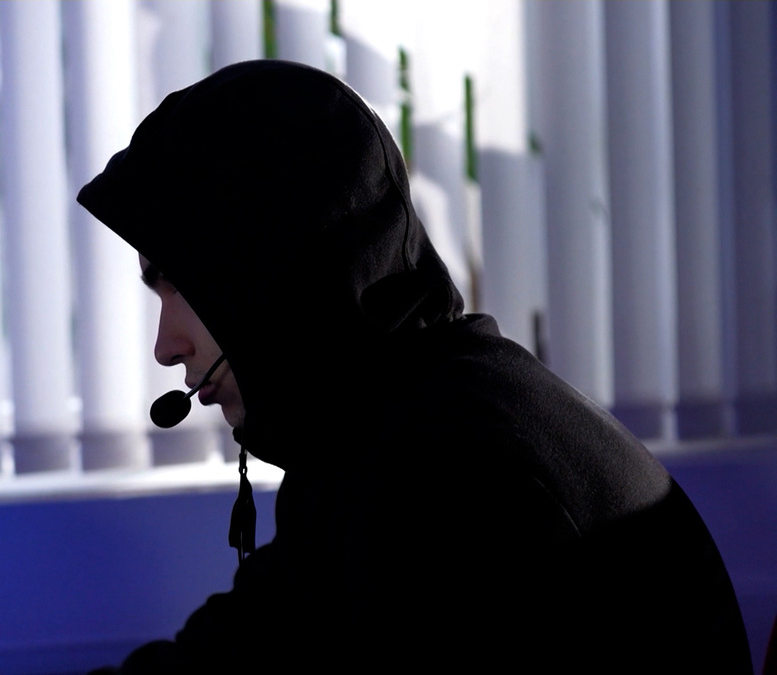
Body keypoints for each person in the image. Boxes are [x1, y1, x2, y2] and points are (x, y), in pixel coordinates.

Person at [78, 60, 751, 672]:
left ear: (267, 267)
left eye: (178, 283)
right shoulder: (382, 436)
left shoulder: (455, 478)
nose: (166, 346)